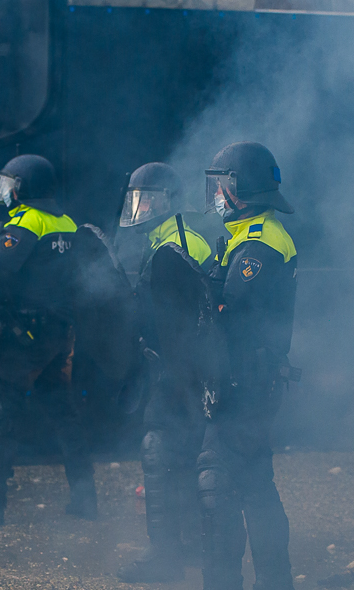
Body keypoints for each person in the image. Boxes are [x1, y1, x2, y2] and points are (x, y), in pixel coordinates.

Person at [0, 154, 97, 525]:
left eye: (10, 185)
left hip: (26, 336)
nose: (7, 193)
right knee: (64, 412)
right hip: (59, 333)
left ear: (24, 188)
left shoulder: (27, 221)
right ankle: (85, 498)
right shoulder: (66, 222)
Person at [199, 142, 298, 590]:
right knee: (256, 486)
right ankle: (275, 582)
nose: (216, 193)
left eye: (221, 184)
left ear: (240, 188)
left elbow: (230, 308)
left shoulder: (261, 243)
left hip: (248, 384)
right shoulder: (247, 236)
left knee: (217, 482)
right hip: (251, 381)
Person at [115, 163, 212, 583]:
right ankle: (190, 541)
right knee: (182, 454)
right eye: (137, 198)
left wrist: (181, 371)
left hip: (183, 371)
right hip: (177, 368)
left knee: (159, 448)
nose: (141, 206)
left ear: (170, 200)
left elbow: (197, 315)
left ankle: (166, 554)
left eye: (149, 197)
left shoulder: (182, 243)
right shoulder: (165, 240)